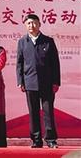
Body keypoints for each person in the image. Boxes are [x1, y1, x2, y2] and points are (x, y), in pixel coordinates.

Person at [16, 13, 60, 149]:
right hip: (29, 82)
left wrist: (56, 82)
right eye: (29, 23)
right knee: (33, 112)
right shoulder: (22, 42)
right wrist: (20, 81)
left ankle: (51, 140)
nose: (32, 25)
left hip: (47, 83)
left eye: (34, 22)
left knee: (48, 112)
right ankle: (36, 140)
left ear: (39, 24)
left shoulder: (48, 41)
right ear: (25, 26)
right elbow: (19, 63)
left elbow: (55, 63)